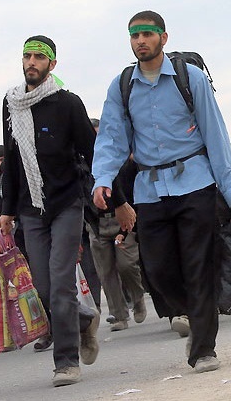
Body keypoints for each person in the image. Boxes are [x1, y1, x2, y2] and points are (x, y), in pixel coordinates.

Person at [92, 10, 231, 374]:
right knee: (158, 270)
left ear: (163, 37)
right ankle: (194, 312)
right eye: (135, 35)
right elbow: (112, 138)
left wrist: (230, 186)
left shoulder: (189, 77)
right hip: (149, 191)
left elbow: (214, 132)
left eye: (147, 34)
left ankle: (204, 348)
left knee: (198, 266)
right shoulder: (122, 86)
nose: (141, 41)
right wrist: (103, 178)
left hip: (195, 183)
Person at [0, 35, 99, 387]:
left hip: (66, 202)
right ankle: (83, 319)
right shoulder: (11, 103)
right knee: (42, 286)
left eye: (39, 57)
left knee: (61, 285)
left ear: (52, 64)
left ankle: (66, 361)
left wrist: (108, 194)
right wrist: (7, 210)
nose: (31, 62)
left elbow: (91, 151)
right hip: (29, 209)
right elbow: (12, 159)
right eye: (27, 56)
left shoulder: (67, 103)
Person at [86, 118, 146, 332]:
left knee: (126, 264)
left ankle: (137, 297)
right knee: (106, 271)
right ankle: (119, 314)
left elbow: (130, 191)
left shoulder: (119, 160)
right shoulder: (81, 164)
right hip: (96, 223)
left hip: (121, 218)